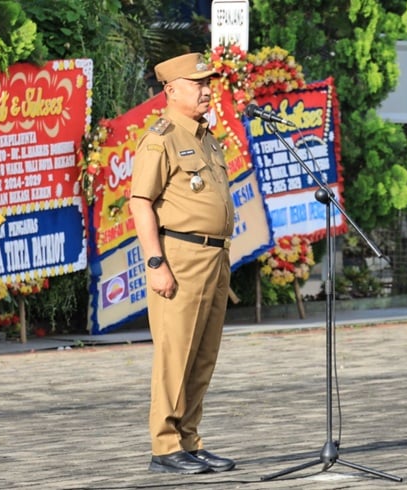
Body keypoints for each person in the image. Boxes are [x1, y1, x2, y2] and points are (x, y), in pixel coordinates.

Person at [129, 52, 235, 475]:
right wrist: (156, 262)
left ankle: (190, 440)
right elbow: (141, 202)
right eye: (197, 84)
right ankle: (165, 446)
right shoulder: (161, 138)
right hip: (180, 256)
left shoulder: (207, 138)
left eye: (208, 83)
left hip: (215, 255)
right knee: (176, 354)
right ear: (171, 91)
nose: (207, 90)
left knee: (203, 355)